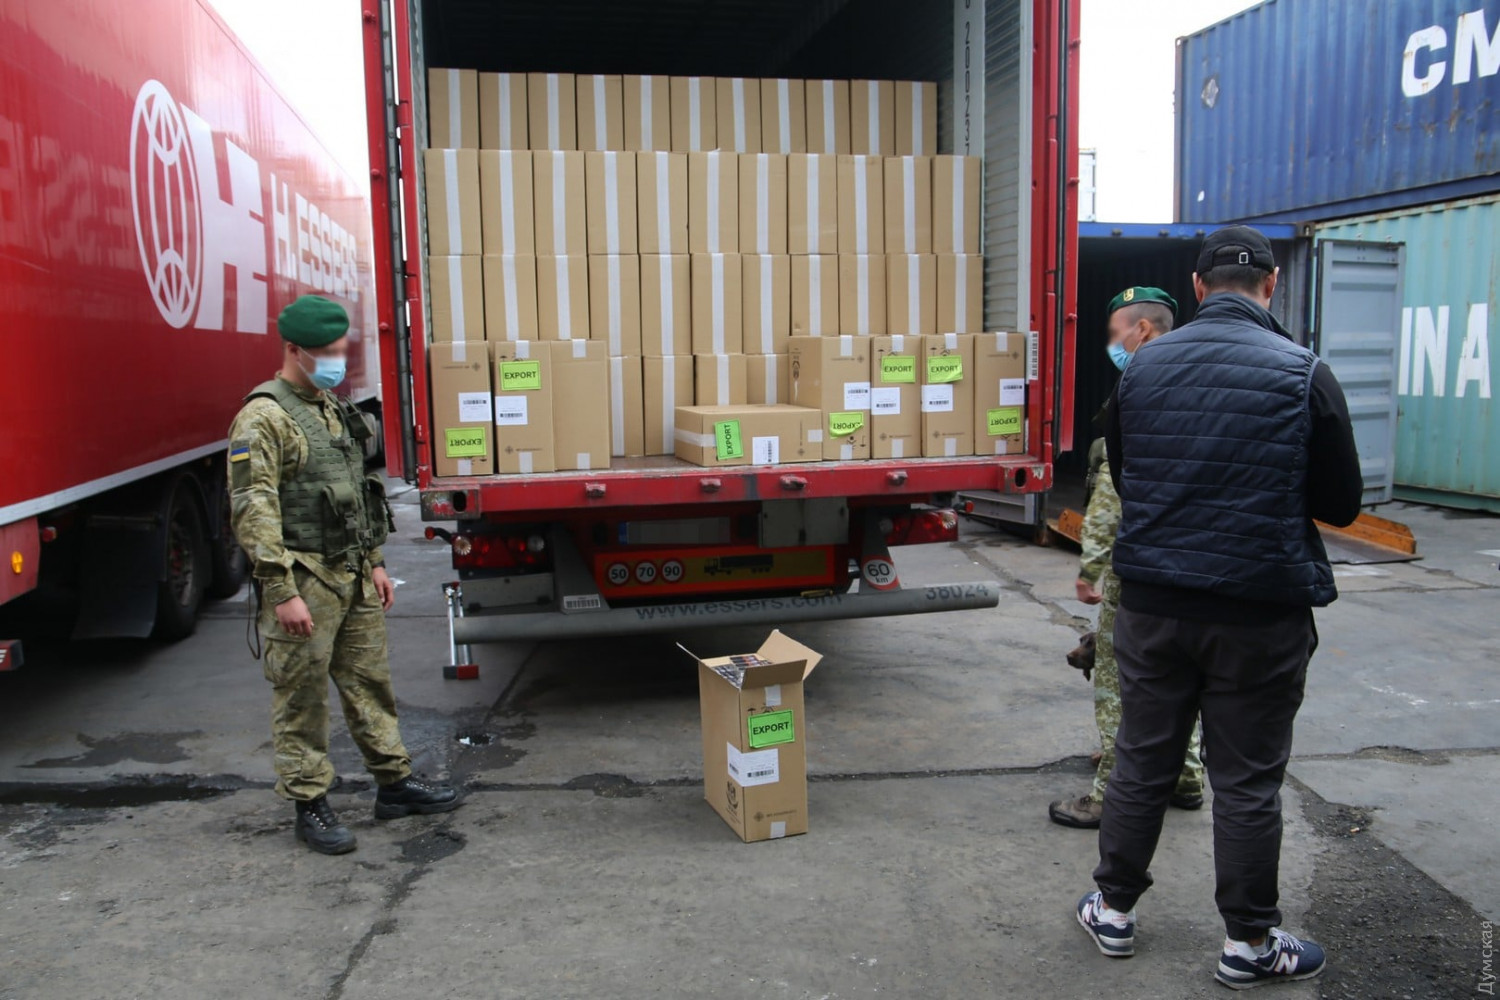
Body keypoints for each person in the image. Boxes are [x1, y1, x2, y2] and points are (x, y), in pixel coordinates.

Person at [1073, 228, 1361, 989]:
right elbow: (1342, 503)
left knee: (1141, 760)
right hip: (1259, 613)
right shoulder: (1306, 373)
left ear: (1198, 287)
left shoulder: (1141, 369)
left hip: (1154, 608)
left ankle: (1113, 910)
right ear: (1271, 284)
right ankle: (1249, 944)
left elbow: (1127, 475)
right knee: (1247, 781)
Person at [229, 295, 459, 855]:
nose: (335, 361)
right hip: (304, 576)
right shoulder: (263, 418)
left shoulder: (331, 408)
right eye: (325, 353)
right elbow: (254, 507)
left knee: (369, 682)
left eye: (339, 351)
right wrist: (281, 590)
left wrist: (375, 562)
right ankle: (309, 803)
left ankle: (394, 783)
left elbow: (359, 493)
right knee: (302, 696)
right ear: (294, 350)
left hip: (352, 573)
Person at [1049, 286, 1205, 829]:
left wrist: (1092, 567)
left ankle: (1110, 794)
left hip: (1137, 566)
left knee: (1120, 684)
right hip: (1195, 564)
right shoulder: (1201, 380)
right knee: (1183, 678)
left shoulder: (1141, 387)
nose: (1112, 346)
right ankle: (1186, 777)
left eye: (1117, 335)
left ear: (1142, 330)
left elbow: (1112, 495)